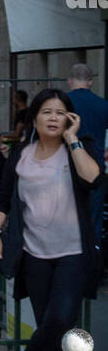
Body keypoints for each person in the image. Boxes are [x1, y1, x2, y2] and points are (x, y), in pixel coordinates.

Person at [0, 89, 103, 351]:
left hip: (73, 253)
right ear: (34, 117)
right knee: (52, 330)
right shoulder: (21, 154)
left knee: (60, 318)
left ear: (70, 118)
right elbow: (2, 198)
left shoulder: (80, 148)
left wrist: (74, 140)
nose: (53, 117)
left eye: (60, 112)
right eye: (46, 111)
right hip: (33, 254)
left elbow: (94, 179)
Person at [67, 63, 108, 243]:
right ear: (91, 81)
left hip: (68, 165)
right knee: (94, 218)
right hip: (96, 167)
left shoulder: (64, 104)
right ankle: (94, 259)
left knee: (68, 216)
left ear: (69, 81)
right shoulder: (103, 105)